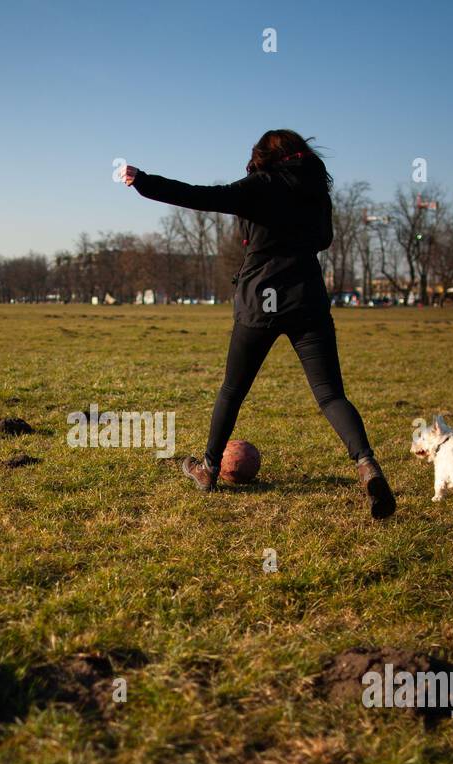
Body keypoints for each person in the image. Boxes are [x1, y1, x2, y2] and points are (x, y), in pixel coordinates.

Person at [123, 129, 395, 519]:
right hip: (307, 299)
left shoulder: (259, 185)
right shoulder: (317, 189)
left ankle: (209, 469)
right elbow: (324, 240)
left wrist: (144, 182)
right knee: (331, 395)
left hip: (261, 302)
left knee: (233, 389)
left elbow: (202, 196)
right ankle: (367, 464)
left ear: (264, 156)